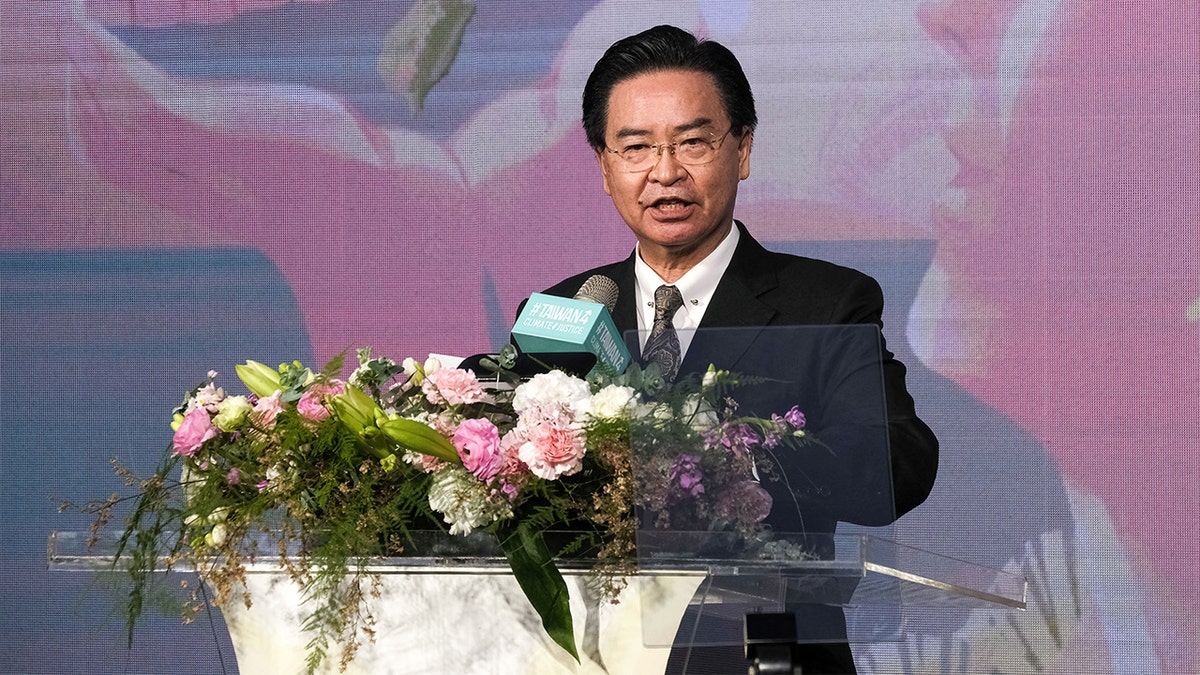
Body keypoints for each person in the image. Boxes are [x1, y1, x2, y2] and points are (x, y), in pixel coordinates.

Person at [537, 25, 939, 673]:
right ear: (604, 167)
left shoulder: (827, 304)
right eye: (636, 147)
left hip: (760, 653)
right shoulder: (568, 310)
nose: (665, 172)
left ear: (743, 149)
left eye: (693, 142)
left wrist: (737, 466)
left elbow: (899, 462)